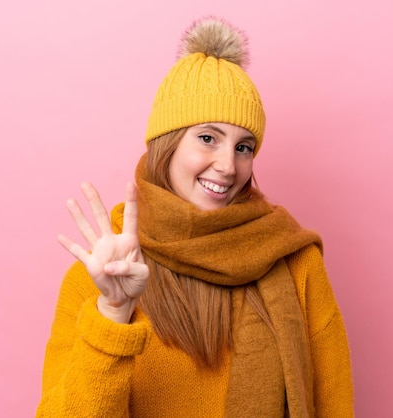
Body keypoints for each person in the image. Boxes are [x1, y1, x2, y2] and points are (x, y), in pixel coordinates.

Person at [37, 17, 354, 417]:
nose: (227, 165)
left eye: (244, 147)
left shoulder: (294, 261)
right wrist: (113, 313)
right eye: (208, 138)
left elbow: (333, 406)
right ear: (166, 144)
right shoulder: (99, 278)